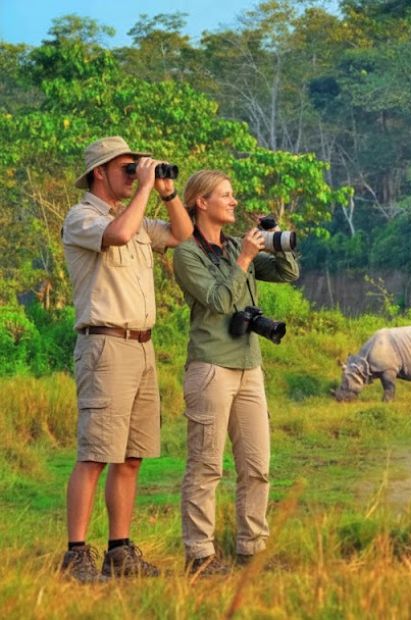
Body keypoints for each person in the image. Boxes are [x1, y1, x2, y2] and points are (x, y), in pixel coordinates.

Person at [60, 136, 192, 582]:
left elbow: (181, 233)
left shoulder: (133, 218)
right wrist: (142, 190)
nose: (136, 173)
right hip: (105, 344)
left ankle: (119, 550)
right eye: (127, 167)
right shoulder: (83, 217)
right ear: (101, 172)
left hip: (142, 346)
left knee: (131, 456)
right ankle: (76, 554)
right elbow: (116, 235)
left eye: (138, 167)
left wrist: (167, 192)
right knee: (96, 453)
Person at [173, 170, 299, 576]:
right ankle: (200, 555)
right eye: (225, 195)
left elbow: (287, 274)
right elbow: (217, 300)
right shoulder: (187, 253)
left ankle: (251, 550)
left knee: (257, 465)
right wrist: (244, 258)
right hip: (211, 367)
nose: (233, 201)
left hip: (249, 366)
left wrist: (275, 238)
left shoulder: (231, 247)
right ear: (201, 202)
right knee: (206, 466)